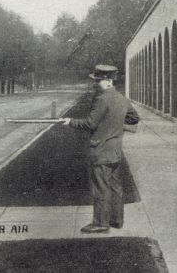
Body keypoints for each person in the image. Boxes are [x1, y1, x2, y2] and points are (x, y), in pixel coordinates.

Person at [60, 64, 139, 233]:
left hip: (101, 150)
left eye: (99, 81)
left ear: (108, 81)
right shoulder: (122, 98)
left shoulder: (102, 99)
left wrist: (70, 122)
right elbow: (134, 118)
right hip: (116, 150)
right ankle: (116, 220)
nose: (96, 84)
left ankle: (100, 223)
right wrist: (116, 126)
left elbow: (90, 123)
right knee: (115, 186)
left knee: (101, 187)